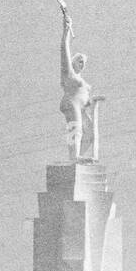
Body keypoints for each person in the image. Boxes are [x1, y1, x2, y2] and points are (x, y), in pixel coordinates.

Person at [59, 10, 94, 160]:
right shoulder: (69, 74)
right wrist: (66, 30)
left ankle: (78, 155)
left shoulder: (81, 79)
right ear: (73, 61)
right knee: (76, 129)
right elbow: (64, 48)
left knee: (89, 131)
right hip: (71, 102)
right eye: (80, 60)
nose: (82, 63)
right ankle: (74, 156)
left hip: (81, 106)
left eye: (84, 62)